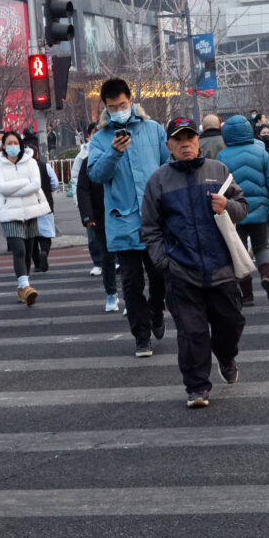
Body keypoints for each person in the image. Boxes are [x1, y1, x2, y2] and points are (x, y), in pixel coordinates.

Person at [142, 115, 252, 407]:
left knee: (231, 323)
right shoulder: (158, 181)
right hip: (181, 272)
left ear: (197, 141)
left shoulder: (219, 171)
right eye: (178, 140)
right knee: (192, 333)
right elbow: (149, 228)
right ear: (169, 145)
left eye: (189, 138)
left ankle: (226, 356)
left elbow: (243, 207)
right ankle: (197, 387)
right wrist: (163, 261)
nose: (185, 144)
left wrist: (227, 205)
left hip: (221, 268)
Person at [85, 78, 171, 357]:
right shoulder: (99, 140)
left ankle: (157, 312)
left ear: (131, 100)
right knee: (132, 283)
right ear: (105, 108)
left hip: (155, 219)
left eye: (123, 104)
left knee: (159, 277)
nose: (119, 110)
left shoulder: (152, 129)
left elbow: (167, 167)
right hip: (122, 221)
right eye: (113, 107)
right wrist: (114, 152)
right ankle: (141, 336)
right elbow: (96, 175)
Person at [215, 113, 269, 307]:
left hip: (234, 210)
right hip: (259, 207)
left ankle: (247, 295)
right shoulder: (260, 151)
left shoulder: (222, 155)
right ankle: (266, 276)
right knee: (262, 247)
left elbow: (220, 183)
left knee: (239, 251)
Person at [0, 130, 51, 305]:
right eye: (9, 143)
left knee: (28, 250)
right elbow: (2, 188)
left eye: (15, 143)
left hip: (31, 212)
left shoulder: (31, 163)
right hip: (10, 214)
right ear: (3, 146)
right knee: (18, 250)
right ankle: (25, 286)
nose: (12, 146)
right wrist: (24, 183)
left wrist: (15, 190)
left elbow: (36, 185)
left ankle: (23, 287)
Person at [74, 122, 120, 312]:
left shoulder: (123, 158)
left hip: (124, 215)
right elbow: (82, 190)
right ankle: (111, 294)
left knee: (129, 260)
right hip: (101, 218)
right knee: (107, 259)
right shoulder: (87, 162)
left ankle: (133, 298)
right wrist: (88, 216)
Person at [22, 130, 56, 272]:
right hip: (46, 204)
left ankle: (36, 263)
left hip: (29, 207)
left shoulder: (22, 169)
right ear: (37, 153)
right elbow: (54, 183)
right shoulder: (45, 166)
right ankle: (44, 252)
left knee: (32, 237)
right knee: (46, 233)